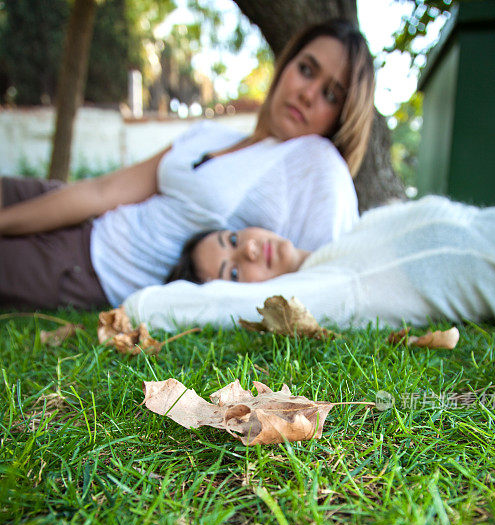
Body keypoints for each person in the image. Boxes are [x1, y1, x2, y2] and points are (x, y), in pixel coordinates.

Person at [0, 18, 375, 311]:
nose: (308, 94)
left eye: (330, 94)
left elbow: (329, 279)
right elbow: (104, 190)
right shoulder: (210, 134)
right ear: (286, 65)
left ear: (342, 116)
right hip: (76, 208)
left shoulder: (318, 168)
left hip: (90, 266)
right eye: (307, 70)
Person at [123, 195, 495, 330]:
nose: (247, 250)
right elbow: (217, 305)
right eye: (232, 271)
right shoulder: (337, 283)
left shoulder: (355, 235)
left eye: (231, 238)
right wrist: (141, 307)